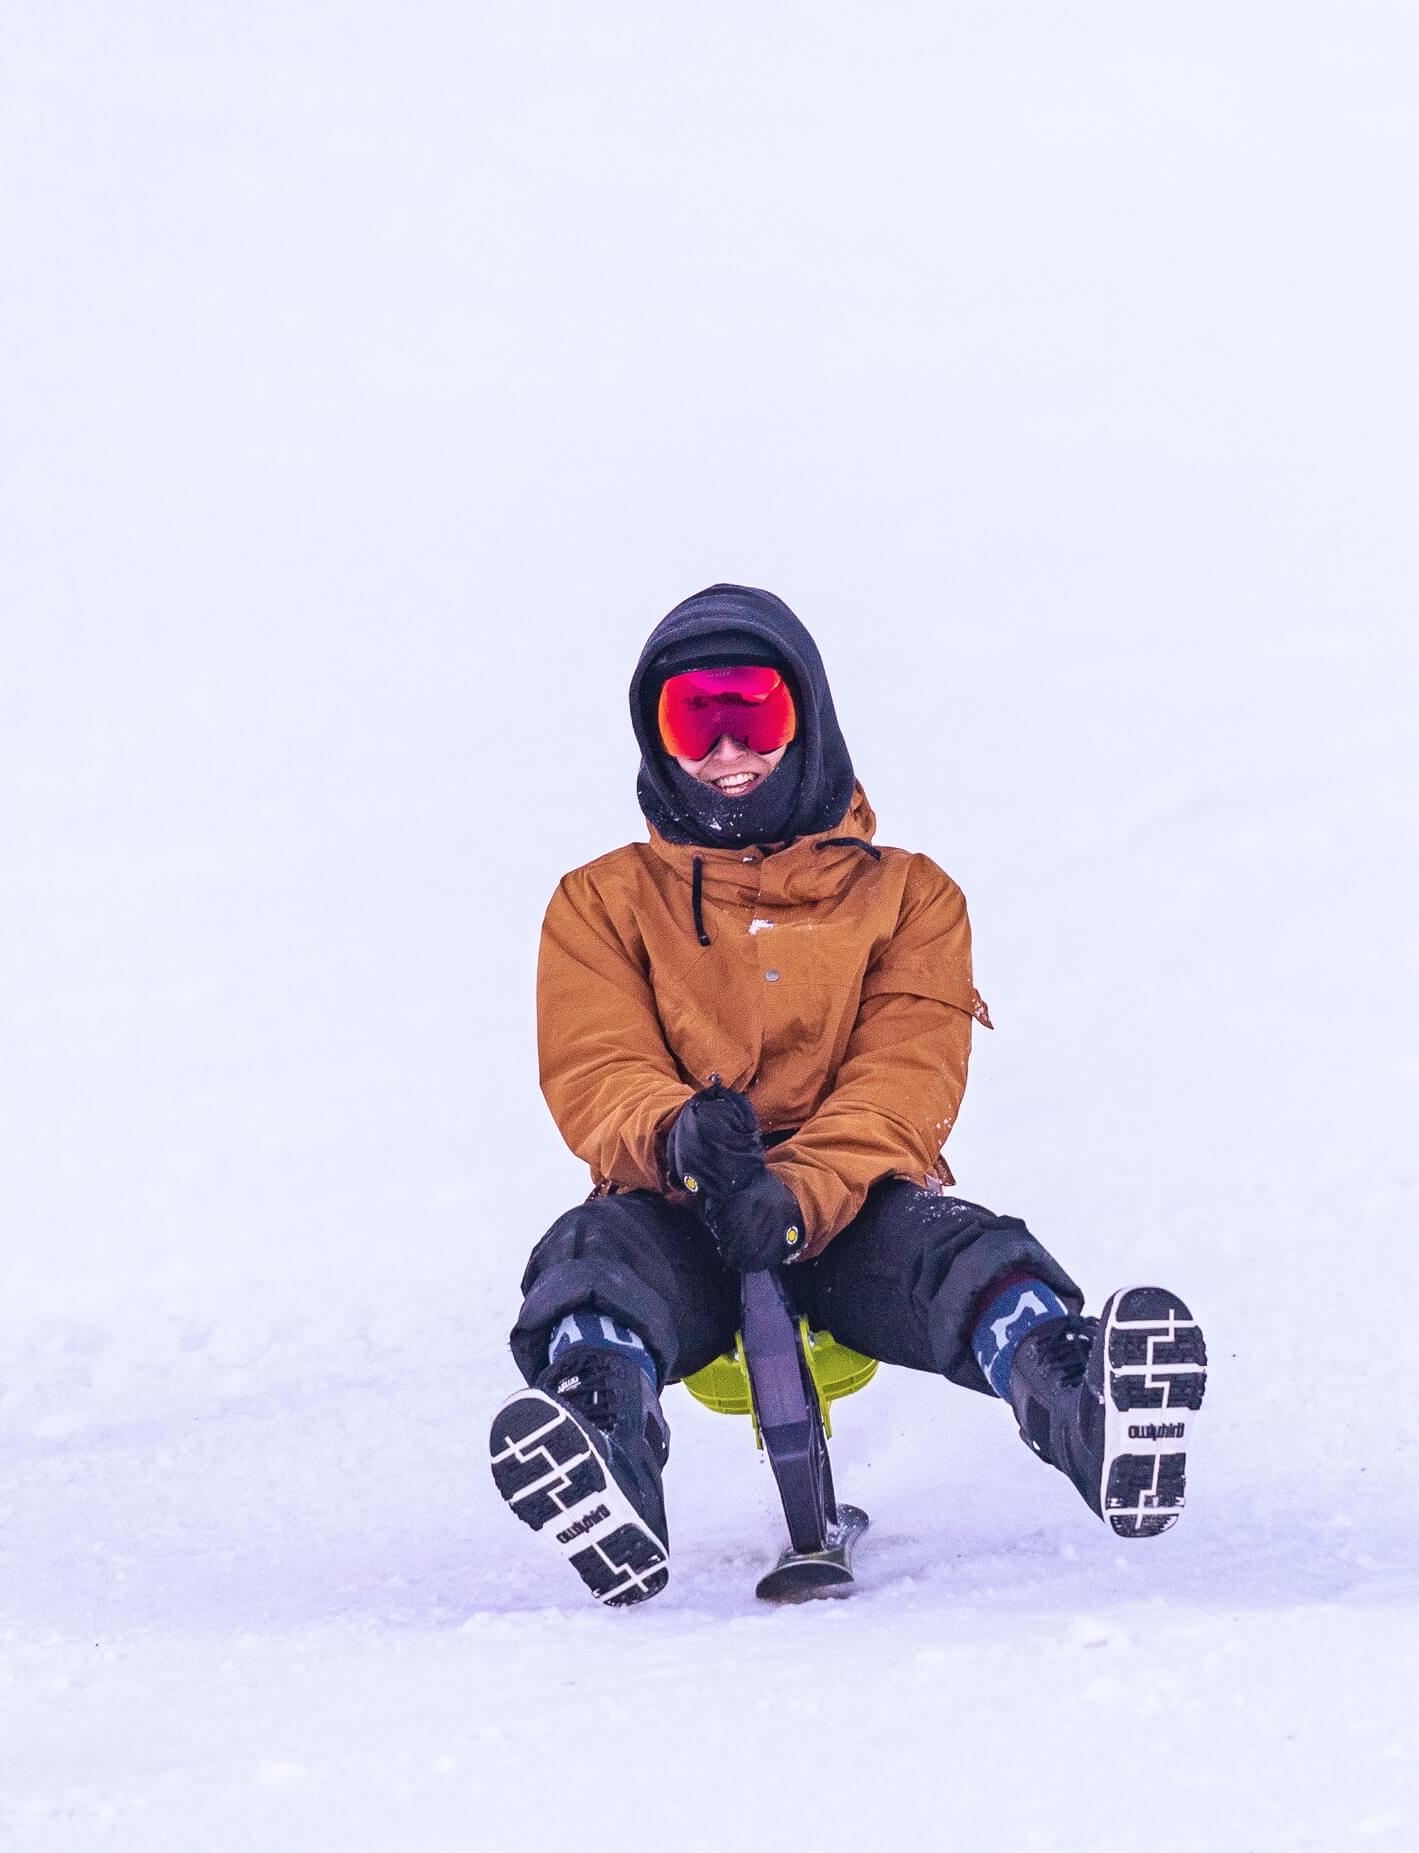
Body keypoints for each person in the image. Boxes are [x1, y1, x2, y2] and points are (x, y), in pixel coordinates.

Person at [490, 584, 1206, 1604]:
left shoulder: (908, 897)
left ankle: (1078, 1399)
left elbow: (902, 1082)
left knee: (962, 1252)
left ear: (809, 719)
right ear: (655, 740)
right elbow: (595, 1065)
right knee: (590, 1259)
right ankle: (605, 1444)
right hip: (676, 1208)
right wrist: (679, 1136)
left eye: (754, 714)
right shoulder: (601, 903)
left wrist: (796, 1195)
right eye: (693, 720)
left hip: (848, 1209)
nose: (727, 752)